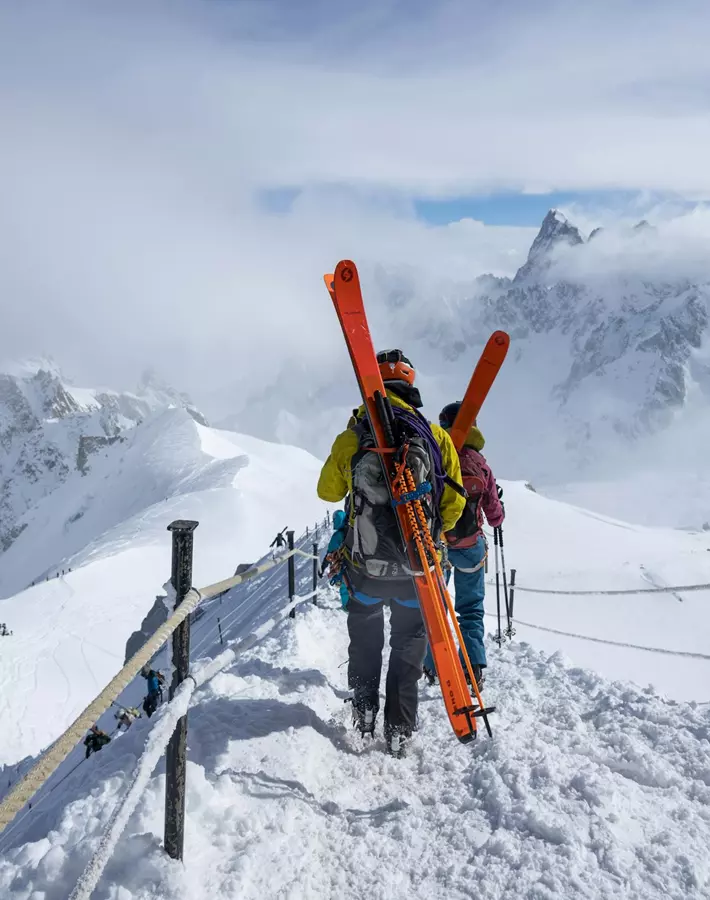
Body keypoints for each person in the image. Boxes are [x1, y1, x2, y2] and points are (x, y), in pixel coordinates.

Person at [317, 349, 465, 757]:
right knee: (408, 645)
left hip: (364, 568)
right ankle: (399, 729)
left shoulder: (354, 437)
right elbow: (454, 506)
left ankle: (363, 715)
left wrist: (349, 447)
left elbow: (327, 491)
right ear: (411, 386)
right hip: (416, 571)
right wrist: (431, 536)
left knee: (365, 643)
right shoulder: (436, 438)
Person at [423, 404, 504, 689]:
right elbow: (495, 515)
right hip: (472, 545)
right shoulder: (480, 463)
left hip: (440, 543)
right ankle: (473, 669)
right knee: (470, 609)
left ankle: (432, 664)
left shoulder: (436, 457)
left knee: (436, 605)